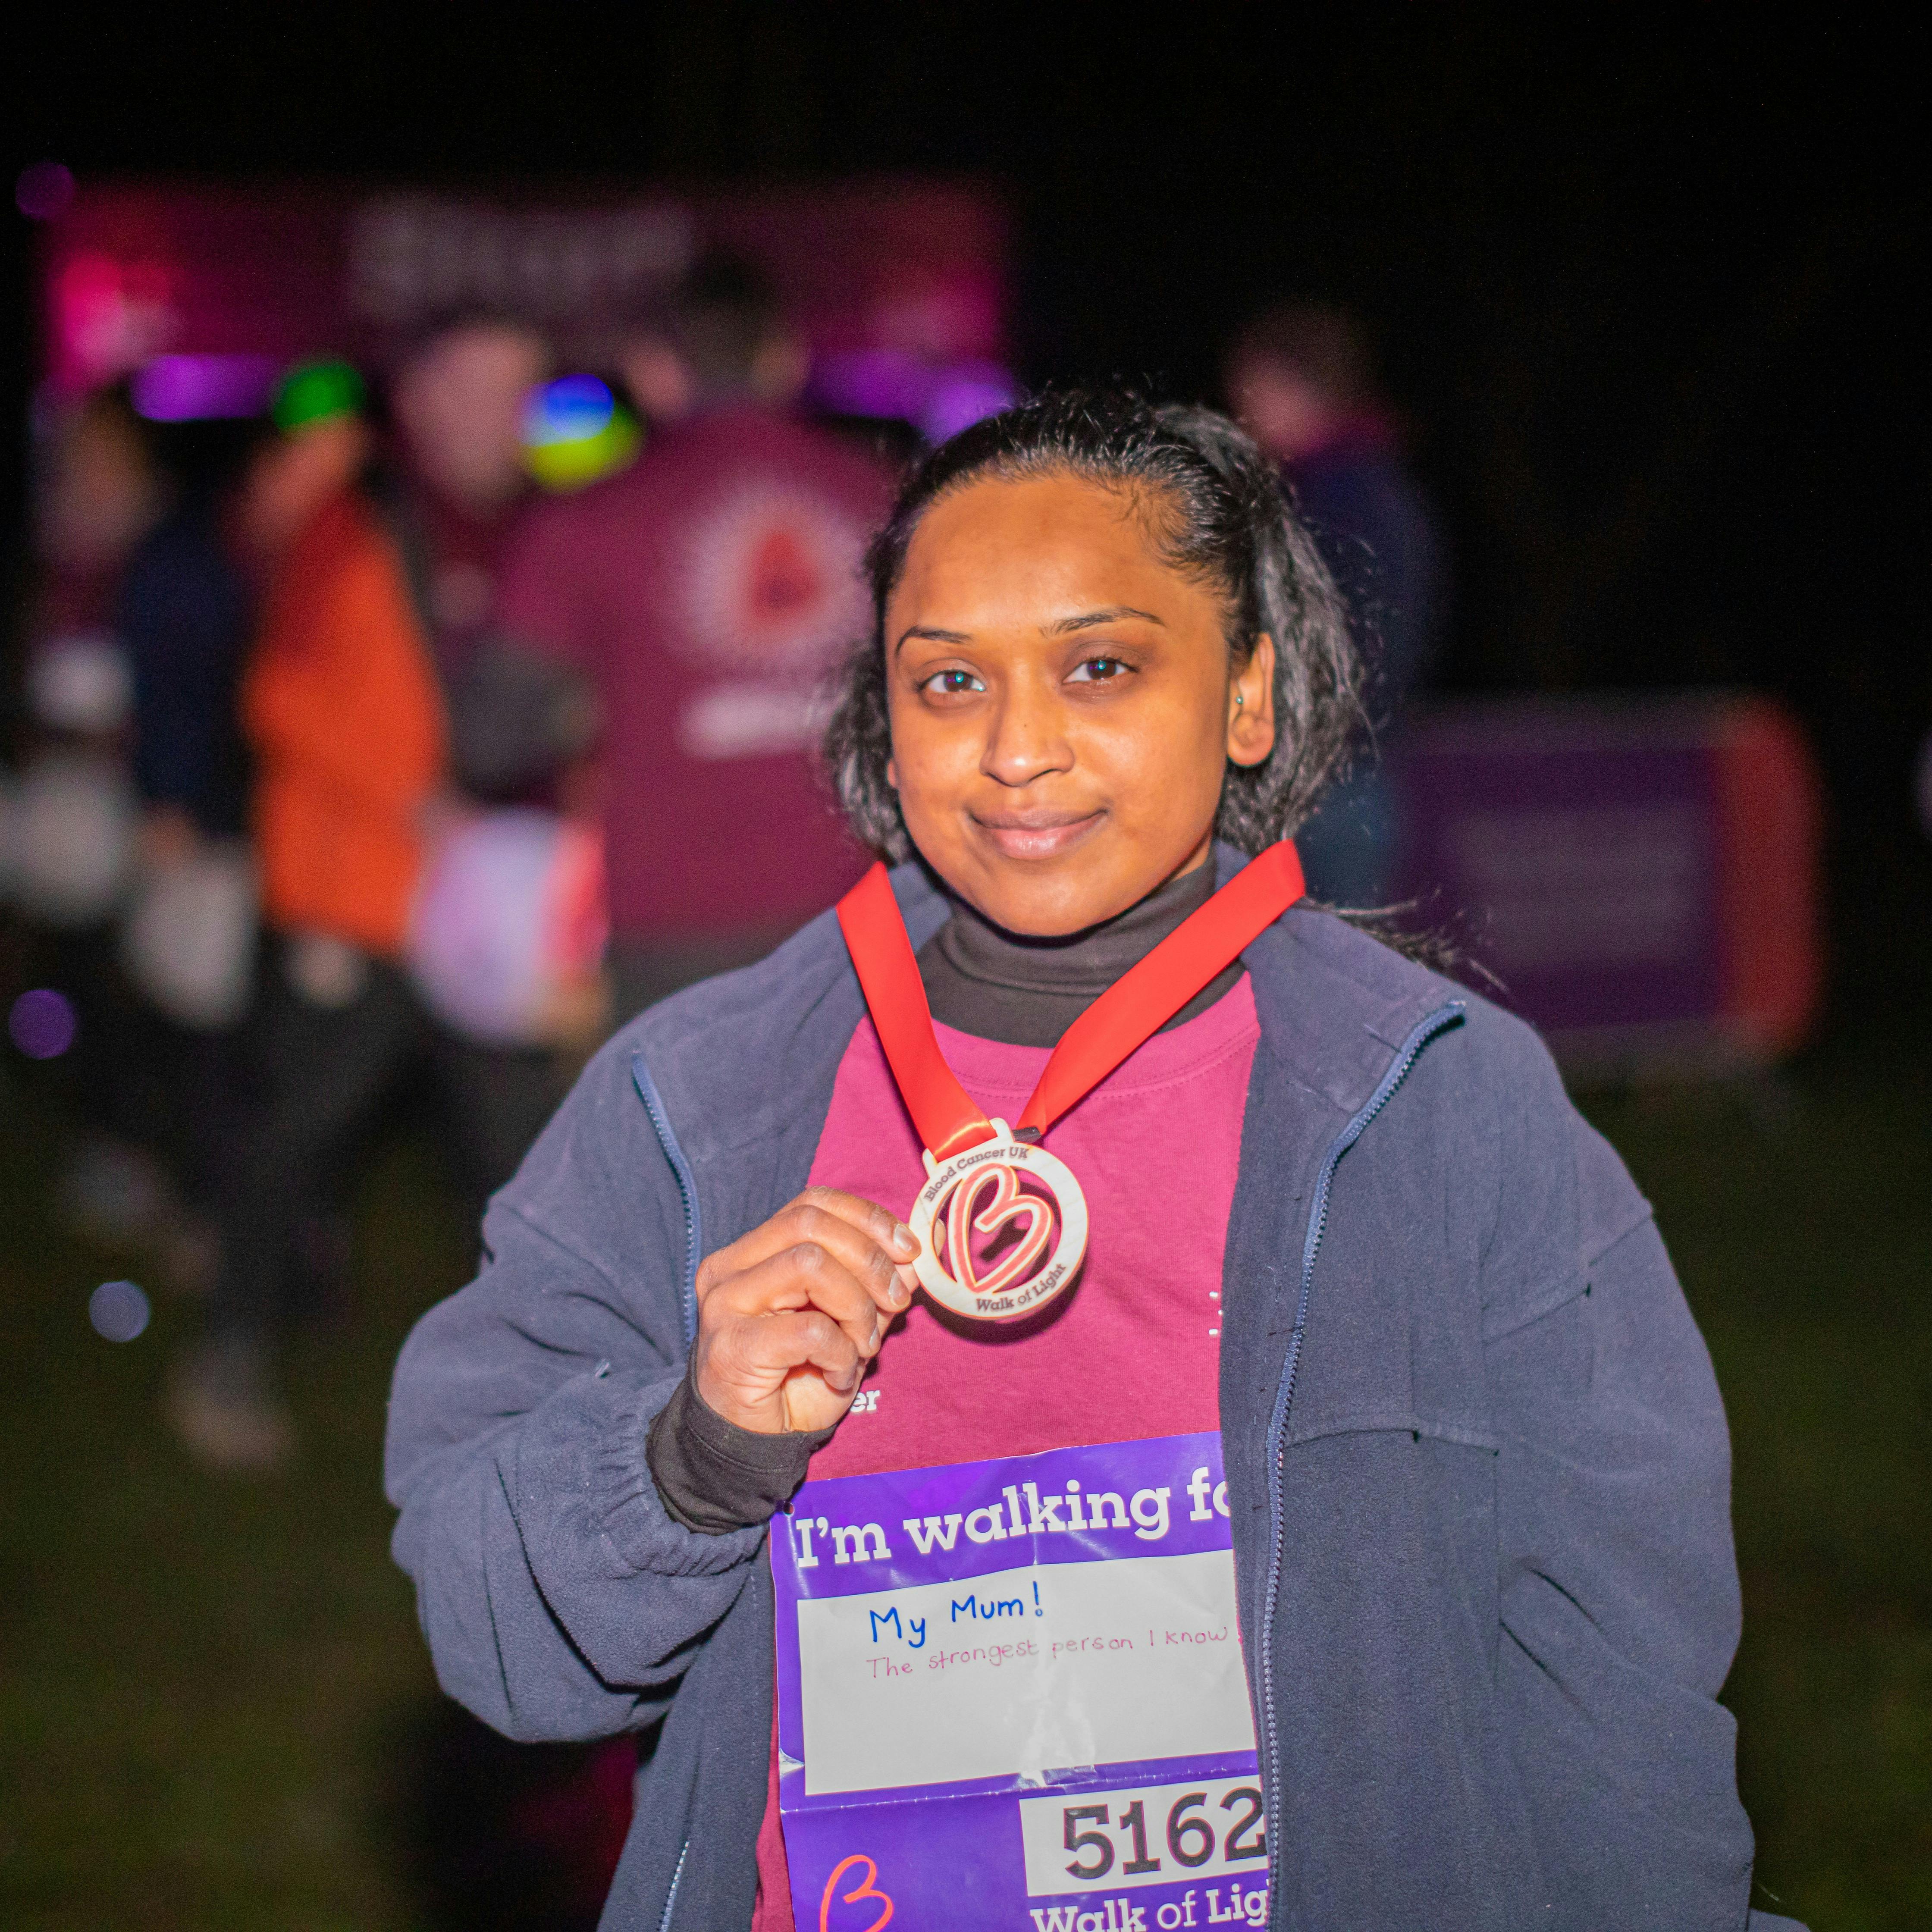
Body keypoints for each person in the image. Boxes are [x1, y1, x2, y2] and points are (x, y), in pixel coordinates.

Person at [385, 392, 1794, 1930]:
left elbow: (1626, 1683)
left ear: (1247, 695)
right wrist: (696, 1455)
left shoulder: (1447, 1112)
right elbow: (496, 1635)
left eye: (1102, 666)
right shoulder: (697, 1100)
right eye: (948, 682)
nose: (1016, 749)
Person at [169, 363, 562, 1473]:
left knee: (518, 1154)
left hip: (484, 910)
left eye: (516, 387)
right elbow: (276, 694)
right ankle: (229, 1358)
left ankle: (533, 1398)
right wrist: (409, 793)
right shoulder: (353, 526)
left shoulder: (535, 526)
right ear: (426, 408)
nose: (504, 410)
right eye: (481, 388)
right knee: (297, 1131)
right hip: (365, 897)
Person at [496, 256, 893, 1022]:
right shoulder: (890, 498)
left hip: (675, 926)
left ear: (652, 372)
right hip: (867, 917)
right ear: (786, 358)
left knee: (686, 1142)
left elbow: (495, 731)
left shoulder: (584, 523)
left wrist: (595, 703)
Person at [1226, 301, 1442, 906]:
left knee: (1312, 976)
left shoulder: (1335, 498)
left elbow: (1348, 641)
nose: (1243, 411)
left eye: (1254, 388)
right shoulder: (1377, 485)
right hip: (1351, 772)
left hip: (1322, 782)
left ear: (1294, 385)